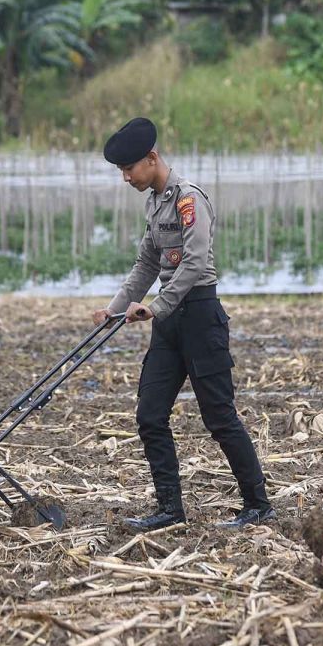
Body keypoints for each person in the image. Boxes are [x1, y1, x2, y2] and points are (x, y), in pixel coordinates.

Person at [92, 117, 273, 531]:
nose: (125, 178)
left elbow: (192, 264)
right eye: (121, 170)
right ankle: (169, 509)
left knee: (219, 416)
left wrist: (155, 307)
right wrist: (114, 310)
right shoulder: (154, 203)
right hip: (169, 323)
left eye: (129, 168)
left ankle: (258, 503)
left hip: (199, 316)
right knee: (150, 414)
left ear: (152, 159)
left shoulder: (190, 199)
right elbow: (147, 263)